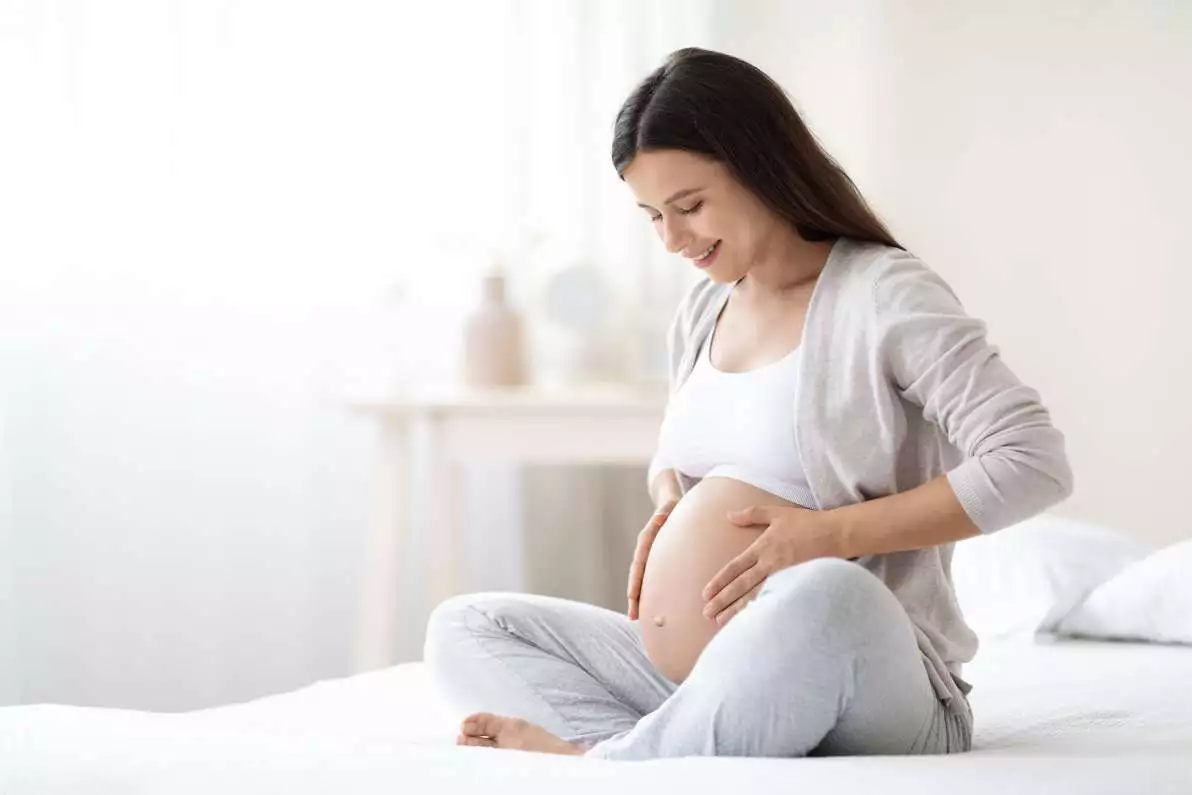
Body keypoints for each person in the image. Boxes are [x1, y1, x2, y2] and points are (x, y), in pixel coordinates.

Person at [422, 47, 1073, 760]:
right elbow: (691, 460)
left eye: (690, 206)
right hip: (710, 674)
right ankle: (679, 738)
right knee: (467, 625)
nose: (672, 239)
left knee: (826, 593)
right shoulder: (703, 309)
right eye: (651, 217)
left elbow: (1032, 460)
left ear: (761, 165)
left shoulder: (883, 295)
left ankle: (611, 762)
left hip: (866, 675)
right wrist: (671, 502)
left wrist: (823, 535)